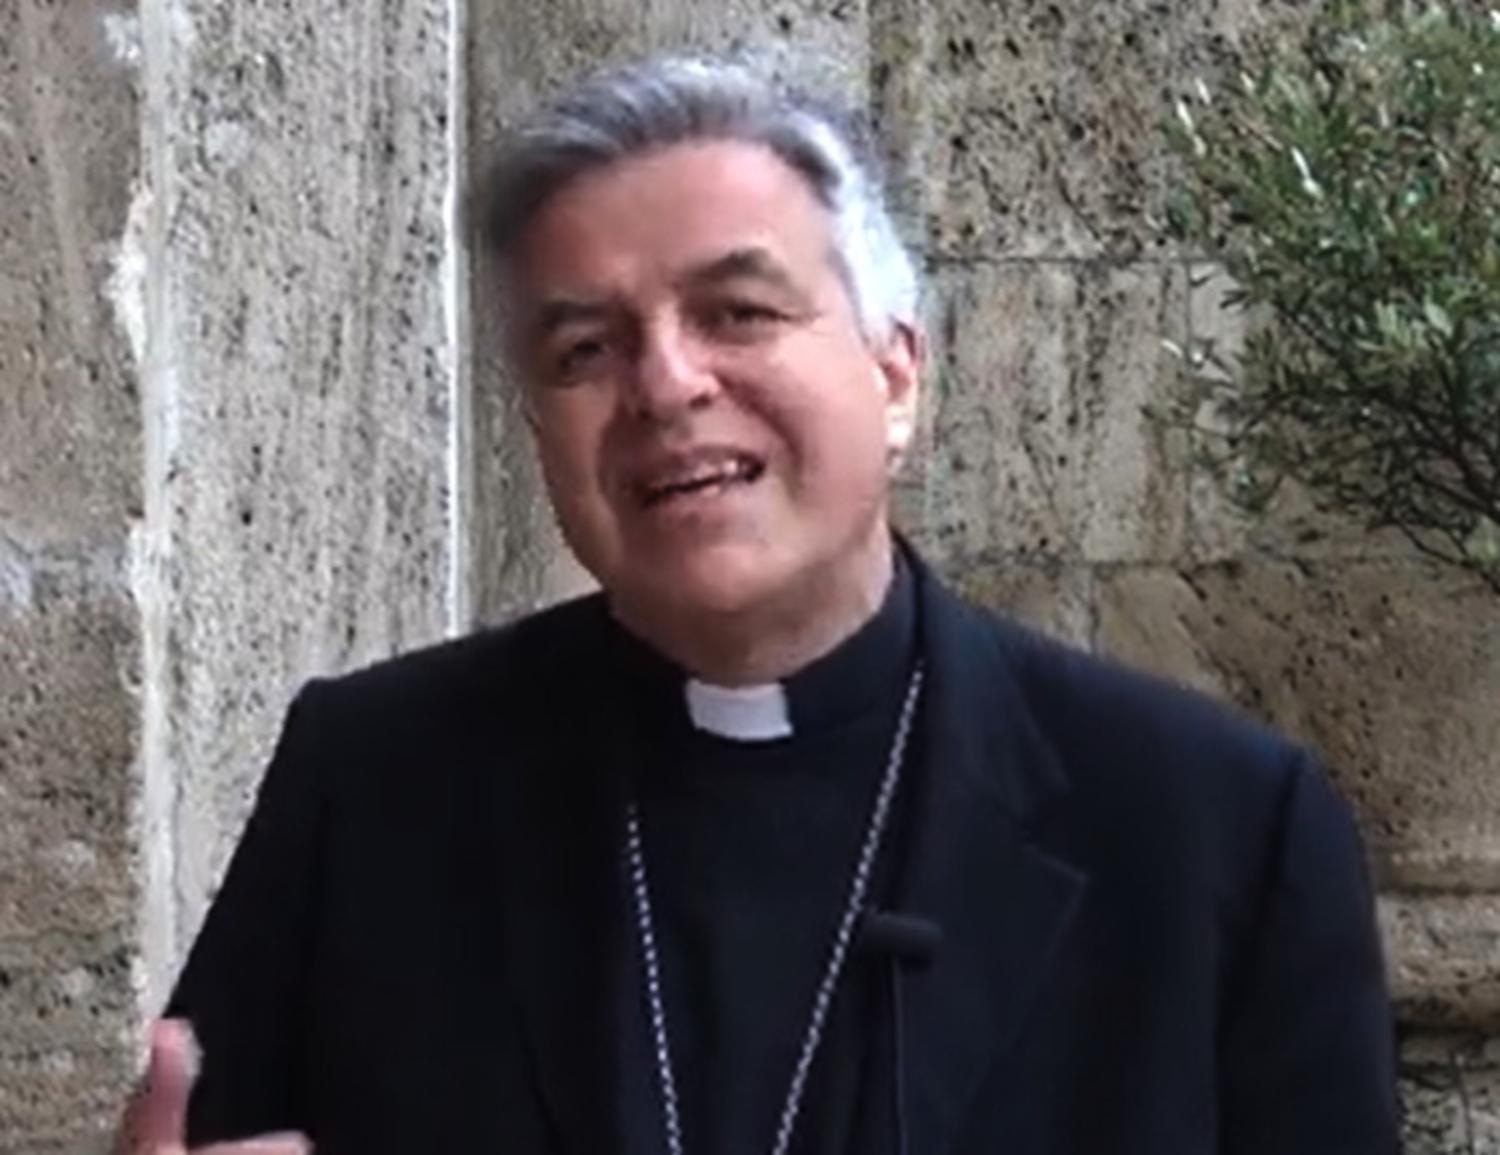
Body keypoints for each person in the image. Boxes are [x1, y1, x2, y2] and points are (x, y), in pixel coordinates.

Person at [117, 55, 1399, 1155]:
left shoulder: (1214, 830)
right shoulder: (374, 782)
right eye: (585, 349)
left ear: (895, 375)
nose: (666, 384)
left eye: (737, 311)